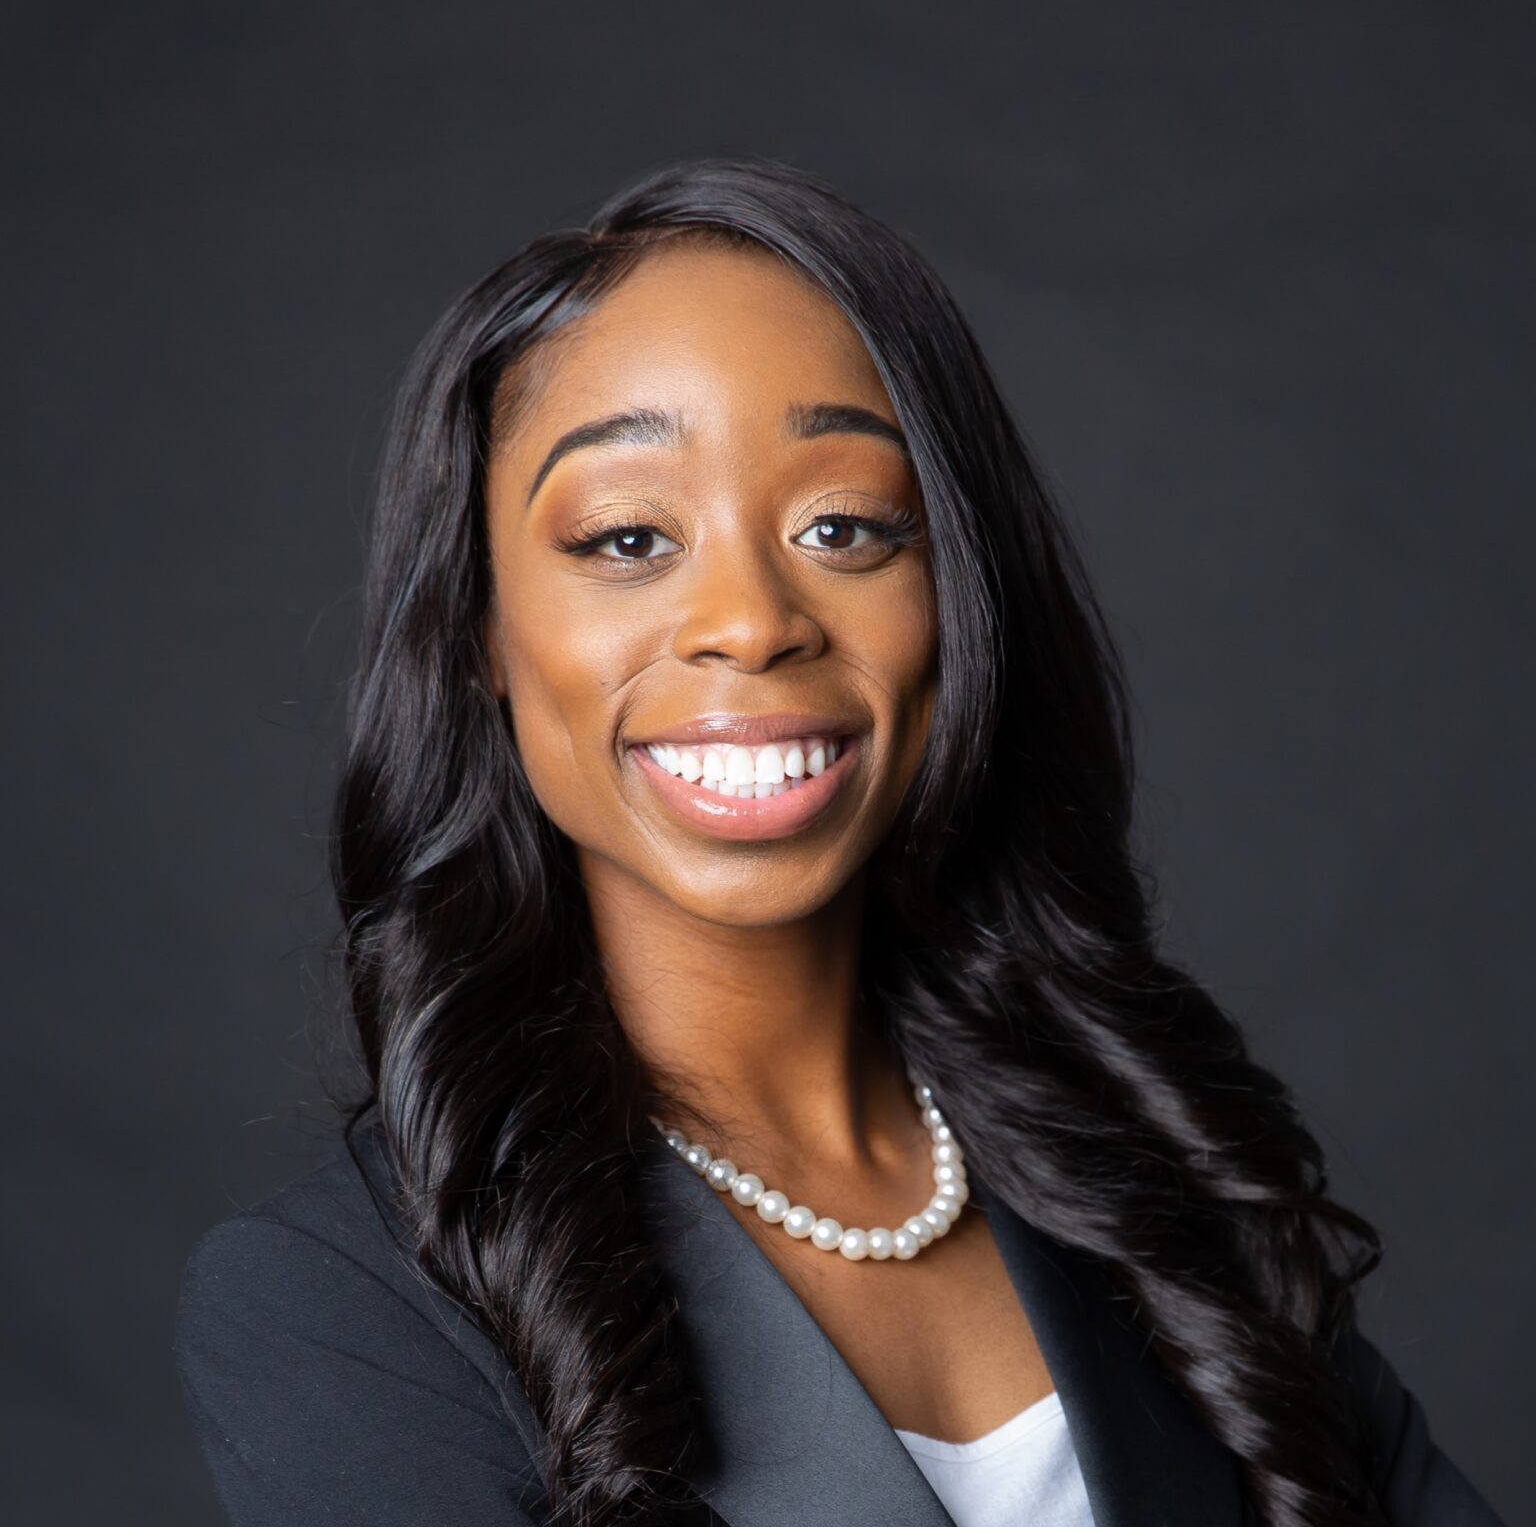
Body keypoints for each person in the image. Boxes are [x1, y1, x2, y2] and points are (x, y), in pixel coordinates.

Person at [173, 155, 1507, 1527]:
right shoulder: (341, 1305)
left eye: (845, 526)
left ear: (957, 593)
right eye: (629, 537)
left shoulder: (1158, 1184)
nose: (751, 620)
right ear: (476, 639)